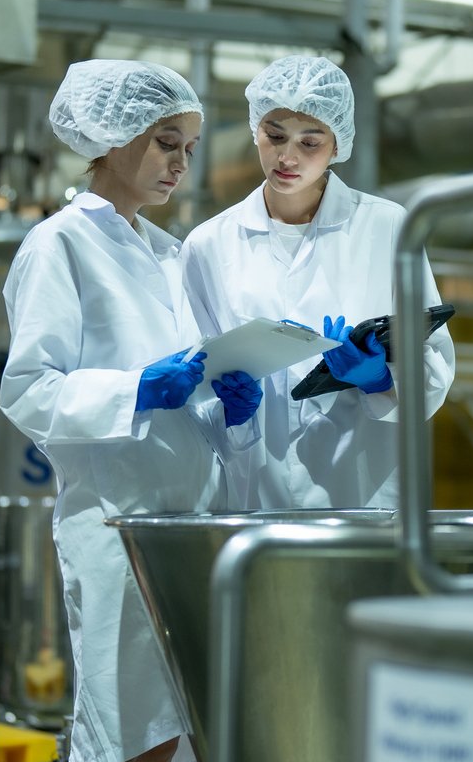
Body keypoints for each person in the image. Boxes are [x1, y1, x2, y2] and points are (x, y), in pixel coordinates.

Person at [0, 59, 262, 762]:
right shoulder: (61, 245)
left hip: (190, 530)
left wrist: (230, 408)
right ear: (112, 138)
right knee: (128, 738)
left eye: (188, 149)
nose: (180, 164)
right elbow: (28, 389)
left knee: (189, 734)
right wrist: (135, 391)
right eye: (166, 142)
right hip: (117, 528)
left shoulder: (173, 257)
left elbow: (186, 392)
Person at [181, 54, 455, 509]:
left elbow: (435, 365)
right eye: (274, 136)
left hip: (362, 490)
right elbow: (193, 378)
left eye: (310, 142)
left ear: (337, 146)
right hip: (253, 489)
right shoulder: (208, 244)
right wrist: (228, 409)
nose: (287, 157)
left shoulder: (387, 228)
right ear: (255, 131)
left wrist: (379, 379)